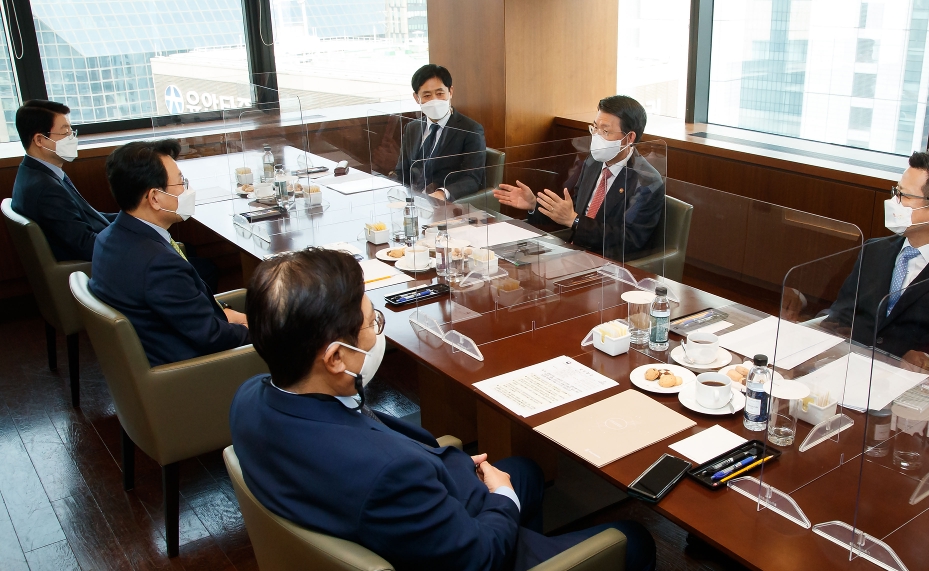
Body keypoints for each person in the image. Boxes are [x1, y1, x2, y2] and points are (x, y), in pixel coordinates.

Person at [230, 248, 655, 571]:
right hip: (471, 545)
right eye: (369, 322)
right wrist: (501, 498)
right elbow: (478, 558)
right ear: (335, 358)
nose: (375, 329)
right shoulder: (389, 476)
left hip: (427, 501)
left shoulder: (250, 399)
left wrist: (439, 464)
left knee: (525, 468)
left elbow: (363, 436)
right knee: (634, 537)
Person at [824, 150, 929, 375]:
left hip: (907, 389)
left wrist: (928, 360)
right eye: (896, 191)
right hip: (845, 369)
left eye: (904, 196)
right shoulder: (875, 250)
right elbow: (842, 313)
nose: (894, 202)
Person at [89, 139, 249, 367]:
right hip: (195, 374)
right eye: (181, 182)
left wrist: (232, 317)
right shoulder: (158, 264)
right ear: (154, 198)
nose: (187, 189)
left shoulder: (109, 237)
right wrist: (261, 332)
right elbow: (213, 337)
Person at [493, 95, 664, 262]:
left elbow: (629, 240)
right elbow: (572, 209)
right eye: (594, 128)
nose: (596, 136)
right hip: (573, 252)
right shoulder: (593, 162)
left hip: (608, 264)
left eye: (605, 131)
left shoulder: (647, 181)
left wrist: (574, 220)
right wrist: (534, 205)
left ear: (629, 138)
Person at [10, 100, 115, 262]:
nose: (72, 138)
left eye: (72, 131)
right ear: (39, 140)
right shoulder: (46, 189)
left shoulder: (35, 172)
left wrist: (134, 218)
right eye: (65, 133)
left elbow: (89, 217)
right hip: (89, 267)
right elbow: (87, 246)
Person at [394, 64, 487, 201]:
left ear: (450, 92)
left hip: (444, 205)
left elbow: (472, 178)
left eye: (440, 93)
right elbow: (402, 170)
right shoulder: (411, 128)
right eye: (427, 95)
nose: (434, 100)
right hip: (411, 200)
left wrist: (442, 193)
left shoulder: (470, 129)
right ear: (416, 98)